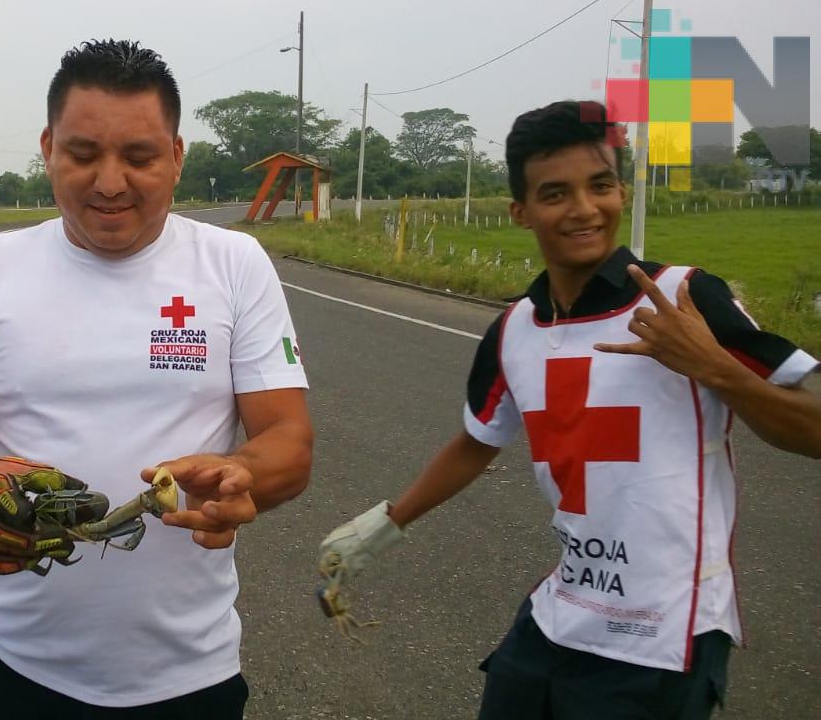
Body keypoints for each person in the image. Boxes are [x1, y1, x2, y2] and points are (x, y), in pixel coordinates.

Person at [318, 100, 821, 720]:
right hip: (563, 612)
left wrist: (713, 366)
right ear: (521, 213)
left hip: (665, 634)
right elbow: (478, 441)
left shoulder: (685, 298)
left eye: (601, 186)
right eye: (556, 194)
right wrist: (385, 524)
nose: (585, 210)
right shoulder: (515, 329)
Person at [0, 39, 313, 719]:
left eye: (139, 157)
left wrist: (241, 475)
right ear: (49, 147)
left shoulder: (234, 264)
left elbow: (288, 439)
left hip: (190, 673)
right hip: (16, 664)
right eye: (83, 154)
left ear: (176, 155)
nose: (110, 181)